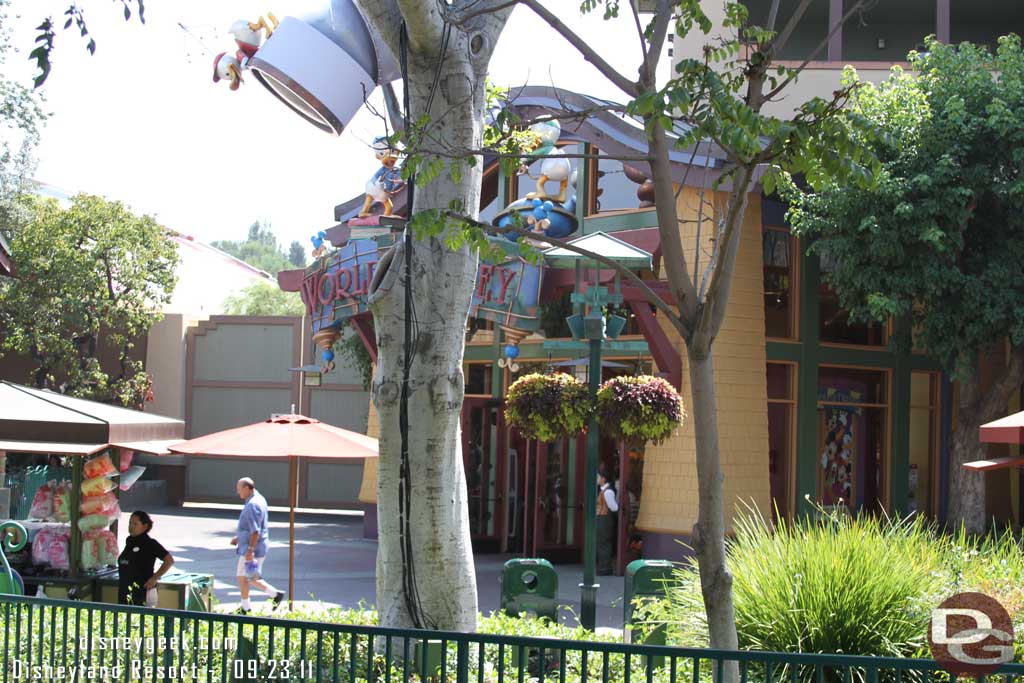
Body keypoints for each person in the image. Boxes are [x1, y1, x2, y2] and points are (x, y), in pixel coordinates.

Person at [231, 477, 284, 614]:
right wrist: (239, 537)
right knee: (245, 576)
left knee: (249, 577)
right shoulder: (259, 499)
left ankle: (274, 595)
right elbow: (254, 527)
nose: (238, 492)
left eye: (239, 489)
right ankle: (246, 607)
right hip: (254, 546)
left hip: (253, 548)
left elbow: (255, 530)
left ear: (247, 488)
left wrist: (250, 550)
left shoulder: (252, 505)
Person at [118, 510, 174, 606]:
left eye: (135, 524)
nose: (131, 526)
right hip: (125, 591)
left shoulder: (150, 543)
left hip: (143, 592)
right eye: (130, 523)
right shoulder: (129, 541)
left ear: (145, 526)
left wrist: (155, 578)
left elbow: (169, 560)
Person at [596, 469, 619, 576]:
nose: (596, 479)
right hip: (602, 518)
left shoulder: (608, 491)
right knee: (601, 543)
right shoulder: (602, 490)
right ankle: (603, 566)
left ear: (603, 479)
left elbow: (614, 507)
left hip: (605, 519)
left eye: (598, 477)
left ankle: (605, 567)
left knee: (604, 543)